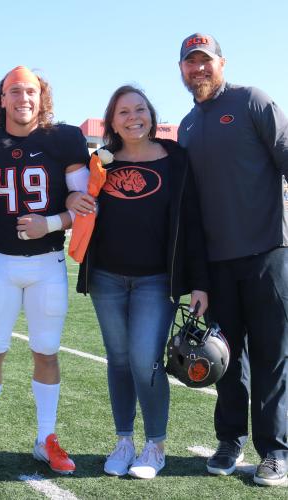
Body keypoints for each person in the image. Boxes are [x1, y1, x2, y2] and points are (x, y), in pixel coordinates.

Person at [0, 66, 90, 475]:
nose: (23, 99)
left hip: (48, 263)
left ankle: (45, 436)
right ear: (3, 100)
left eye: (30, 91)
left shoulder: (64, 138)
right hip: (0, 261)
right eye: (15, 92)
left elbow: (83, 205)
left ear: (41, 96)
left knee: (46, 352)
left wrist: (48, 224)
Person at [74, 86, 209, 479]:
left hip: (156, 280)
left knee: (144, 359)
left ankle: (155, 444)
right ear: (112, 121)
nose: (133, 117)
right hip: (106, 277)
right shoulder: (101, 162)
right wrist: (77, 204)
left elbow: (194, 223)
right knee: (117, 359)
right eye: (123, 112)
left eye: (140, 109)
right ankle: (123, 441)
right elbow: (77, 202)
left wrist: (200, 282)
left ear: (150, 114)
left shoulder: (177, 159)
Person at [178, 33, 288, 486]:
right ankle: (230, 439)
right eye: (190, 63)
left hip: (267, 254)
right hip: (218, 264)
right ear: (181, 70)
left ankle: (277, 450)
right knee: (224, 359)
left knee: (272, 357)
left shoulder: (253, 101)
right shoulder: (185, 126)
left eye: (205, 61)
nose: (198, 69)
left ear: (222, 63)